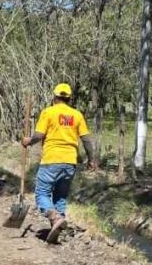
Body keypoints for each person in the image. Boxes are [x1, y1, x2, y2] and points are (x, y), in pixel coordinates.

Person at [21, 83, 97, 243]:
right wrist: (91, 159)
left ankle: (55, 218)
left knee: (41, 194)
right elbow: (87, 140)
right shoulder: (77, 115)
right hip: (70, 163)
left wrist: (28, 141)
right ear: (69, 99)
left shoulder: (48, 112)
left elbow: (39, 135)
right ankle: (58, 228)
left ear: (54, 97)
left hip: (51, 160)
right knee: (60, 197)